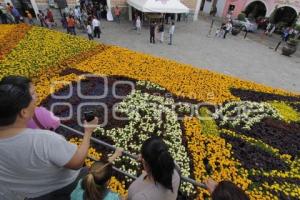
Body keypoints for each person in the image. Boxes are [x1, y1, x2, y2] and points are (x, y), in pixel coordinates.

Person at [0, 75, 99, 200]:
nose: (36, 98)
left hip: (27, 194)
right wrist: (88, 131)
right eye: (33, 94)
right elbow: (77, 162)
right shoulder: (43, 141)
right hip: (62, 187)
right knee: (93, 175)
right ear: (23, 112)